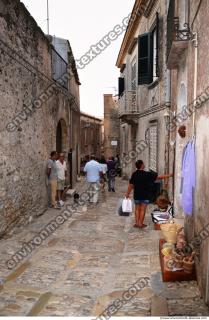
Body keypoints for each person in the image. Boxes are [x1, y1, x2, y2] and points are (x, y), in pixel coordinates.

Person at [125, 160, 173, 228]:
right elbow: (158, 177)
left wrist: (127, 194)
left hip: (137, 195)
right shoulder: (147, 174)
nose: (144, 165)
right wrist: (169, 175)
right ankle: (140, 224)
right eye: (143, 164)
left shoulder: (134, 174)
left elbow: (131, 185)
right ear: (141, 165)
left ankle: (137, 223)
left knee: (137, 209)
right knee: (143, 209)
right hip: (145, 195)